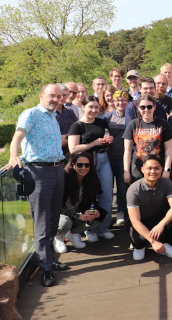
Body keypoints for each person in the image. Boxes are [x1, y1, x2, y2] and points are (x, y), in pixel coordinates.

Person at [8, 84, 68, 287]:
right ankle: (45, 269)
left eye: (59, 96)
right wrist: (13, 156)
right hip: (39, 172)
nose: (55, 99)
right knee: (42, 222)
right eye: (52, 96)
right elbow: (18, 136)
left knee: (52, 219)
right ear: (42, 95)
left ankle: (49, 260)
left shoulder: (53, 117)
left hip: (57, 170)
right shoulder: (30, 113)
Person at [67, 95, 115, 242]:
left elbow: (106, 138)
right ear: (83, 107)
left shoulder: (101, 122)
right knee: (89, 197)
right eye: (90, 107)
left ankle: (103, 228)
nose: (94, 110)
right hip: (86, 164)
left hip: (104, 159)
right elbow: (73, 148)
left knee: (106, 196)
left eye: (96, 107)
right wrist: (93, 143)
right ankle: (89, 228)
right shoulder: (77, 125)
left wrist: (109, 140)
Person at [127, 155, 172, 261]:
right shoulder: (133, 190)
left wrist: (162, 224)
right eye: (149, 168)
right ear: (142, 170)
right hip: (141, 221)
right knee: (138, 237)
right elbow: (135, 221)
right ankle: (140, 246)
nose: (153, 171)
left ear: (161, 169)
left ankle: (165, 243)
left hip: (158, 219)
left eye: (156, 168)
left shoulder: (166, 183)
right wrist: (153, 242)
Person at [53, 152, 107, 253]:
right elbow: (57, 207)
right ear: (73, 165)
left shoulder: (92, 178)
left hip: (79, 213)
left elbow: (92, 201)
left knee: (103, 215)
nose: (83, 168)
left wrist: (94, 211)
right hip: (62, 215)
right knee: (65, 222)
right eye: (79, 165)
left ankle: (73, 234)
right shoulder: (65, 178)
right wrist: (77, 216)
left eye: (87, 165)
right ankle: (58, 237)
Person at [123, 94, 172, 184]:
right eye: (143, 107)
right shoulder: (133, 124)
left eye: (149, 107)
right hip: (138, 167)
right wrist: (126, 171)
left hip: (157, 167)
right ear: (138, 108)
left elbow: (169, 150)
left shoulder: (163, 124)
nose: (146, 110)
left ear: (154, 107)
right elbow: (127, 150)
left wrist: (167, 170)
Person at [103, 89, 129, 227]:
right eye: (118, 100)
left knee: (122, 188)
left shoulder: (132, 116)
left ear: (128, 102)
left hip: (124, 157)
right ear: (113, 101)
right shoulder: (107, 117)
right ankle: (106, 217)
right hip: (109, 156)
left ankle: (121, 213)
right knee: (107, 188)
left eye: (124, 100)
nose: (120, 102)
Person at [54, 84, 78, 159]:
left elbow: (77, 130)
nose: (62, 97)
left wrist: (67, 137)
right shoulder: (48, 113)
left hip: (70, 153)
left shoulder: (69, 111)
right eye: (60, 95)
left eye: (65, 95)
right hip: (54, 154)